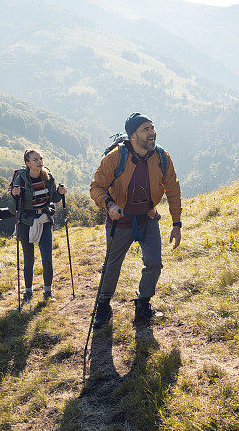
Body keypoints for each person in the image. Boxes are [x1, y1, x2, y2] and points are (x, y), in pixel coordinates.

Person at [89, 113, 182, 327]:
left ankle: (143, 304)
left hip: (148, 217)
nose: (152, 132)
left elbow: (173, 190)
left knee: (154, 262)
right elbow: (96, 187)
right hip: (120, 219)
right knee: (112, 265)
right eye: (145, 129)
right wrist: (109, 205)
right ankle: (103, 305)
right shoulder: (115, 157)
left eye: (152, 127)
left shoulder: (162, 157)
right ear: (133, 135)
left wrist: (176, 224)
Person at [11, 148, 66, 302]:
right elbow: (12, 207)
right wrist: (14, 195)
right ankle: (28, 292)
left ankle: (48, 292)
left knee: (47, 259)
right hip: (26, 222)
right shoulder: (20, 179)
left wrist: (60, 192)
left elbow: (54, 198)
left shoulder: (48, 177)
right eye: (35, 160)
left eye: (40, 159)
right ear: (27, 163)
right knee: (29, 260)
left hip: (44, 220)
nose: (39, 162)